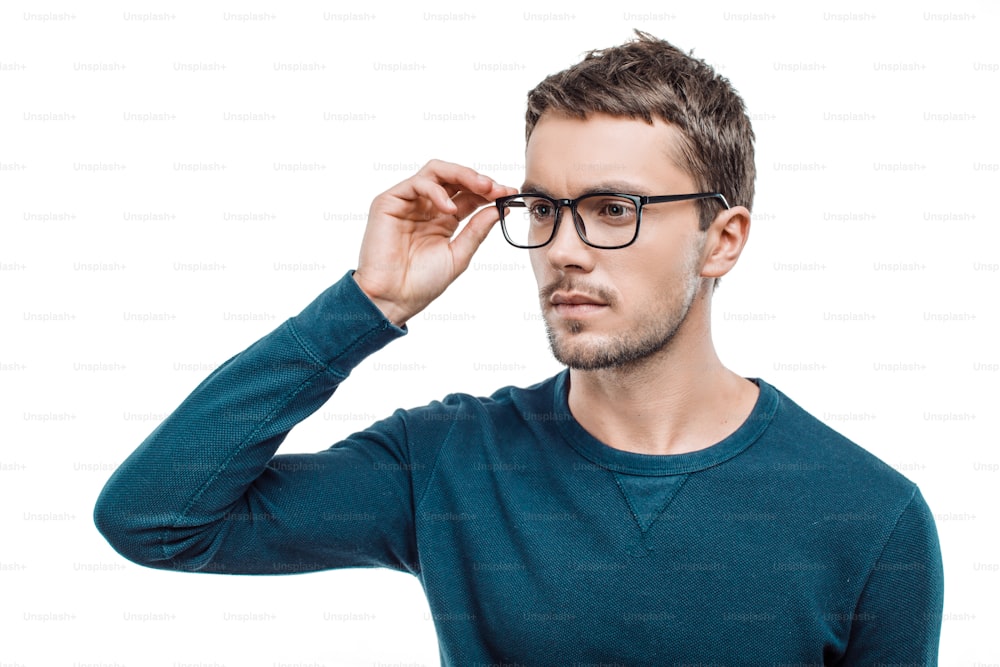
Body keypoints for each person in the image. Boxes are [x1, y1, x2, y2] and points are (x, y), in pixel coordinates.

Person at [95, 31, 944, 664]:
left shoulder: (868, 517)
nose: (563, 248)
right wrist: (367, 307)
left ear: (722, 240)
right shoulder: (448, 463)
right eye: (542, 209)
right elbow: (157, 519)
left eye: (615, 209)